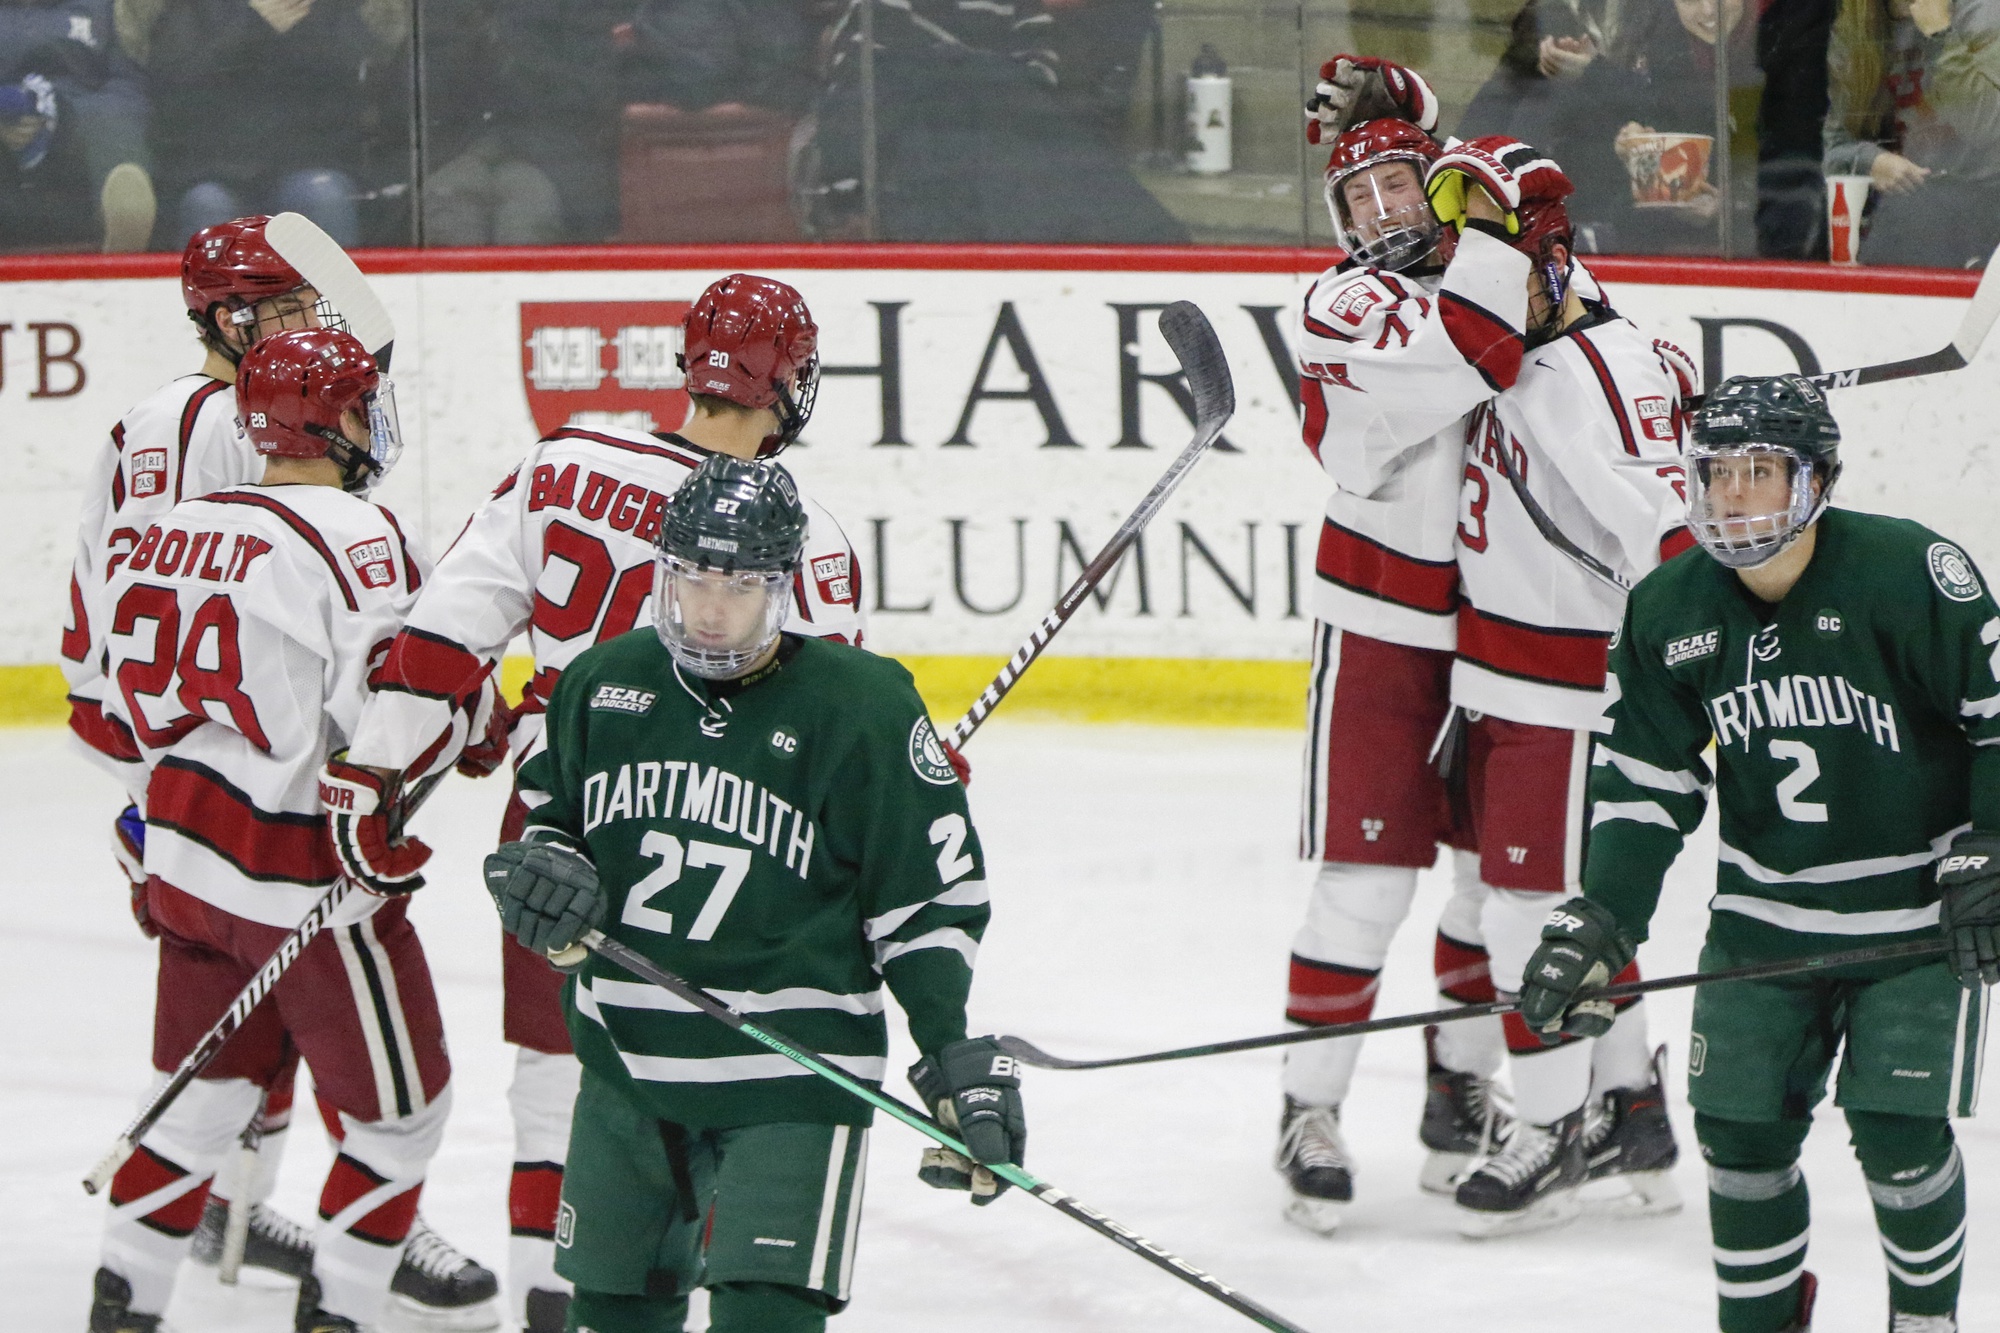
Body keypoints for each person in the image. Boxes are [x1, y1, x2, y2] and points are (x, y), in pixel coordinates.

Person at [339, 273, 864, 1332]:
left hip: (558, 822)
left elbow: (440, 638)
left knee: (555, 1084)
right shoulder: (802, 532)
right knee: (709, 1093)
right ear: (789, 382)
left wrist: (376, 776)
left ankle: (559, 1308)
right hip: (719, 846)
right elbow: (829, 739)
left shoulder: (563, 462)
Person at [59, 214, 498, 1324]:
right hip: (281, 834)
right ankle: (341, 1262)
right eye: (288, 304)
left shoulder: (173, 460)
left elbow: (134, 633)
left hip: (183, 801)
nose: (308, 314)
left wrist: (155, 799)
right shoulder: (226, 444)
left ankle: (164, 1257)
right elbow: (378, 693)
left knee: (206, 1080)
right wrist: (467, 715)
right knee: (390, 1106)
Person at [479, 452, 1017, 1333]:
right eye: (693, 577)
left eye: (739, 585)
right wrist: (545, 885)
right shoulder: (602, 684)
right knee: (610, 1314)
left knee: (767, 1317)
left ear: (782, 587)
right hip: (628, 1067)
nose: (711, 607)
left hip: (794, 1075)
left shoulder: (863, 707)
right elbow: (549, 823)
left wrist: (949, 1047)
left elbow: (928, 900)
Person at [1519, 372, 1995, 1332]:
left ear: (1817, 479)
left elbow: (1995, 720)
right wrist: (1604, 915)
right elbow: (1645, 781)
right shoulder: (1668, 607)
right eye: (1715, 473)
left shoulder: (1909, 570)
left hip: (1913, 920)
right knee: (1738, 1138)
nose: (1733, 496)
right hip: (1760, 923)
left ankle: (1926, 1320)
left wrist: (1990, 846)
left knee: (1899, 1135)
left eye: (1760, 471)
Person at [1422, 134, 1695, 1238]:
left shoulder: (1597, 372)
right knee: (1520, 900)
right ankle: (1630, 1107)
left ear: (1545, 264)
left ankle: (1551, 1128)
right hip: (1499, 677)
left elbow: (1671, 536)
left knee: (1533, 913)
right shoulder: (1518, 336)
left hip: (1567, 687)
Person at [1279, 92, 1532, 1233]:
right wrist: (1506, 251)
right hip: (1380, 615)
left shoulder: (1490, 269)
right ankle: (1308, 1110)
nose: (1381, 210)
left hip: (1504, 619)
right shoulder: (1340, 303)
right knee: (1365, 884)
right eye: (1359, 196)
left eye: (1399, 184)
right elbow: (1469, 356)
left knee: (1490, 878)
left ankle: (1456, 1092)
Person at [118, 0, 410, 247]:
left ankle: (336, 301)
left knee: (323, 197)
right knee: (208, 205)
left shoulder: (329, 6)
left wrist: (301, 28)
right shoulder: (194, 8)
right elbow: (176, 83)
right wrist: (254, 23)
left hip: (312, 157)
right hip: (213, 164)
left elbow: (359, 71)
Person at [0, 0, 154, 251]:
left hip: (84, 130)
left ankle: (122, 222)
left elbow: (128, 83)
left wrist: (59, 115)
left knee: (115, 117)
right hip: (7, 133)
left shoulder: (103, 8)